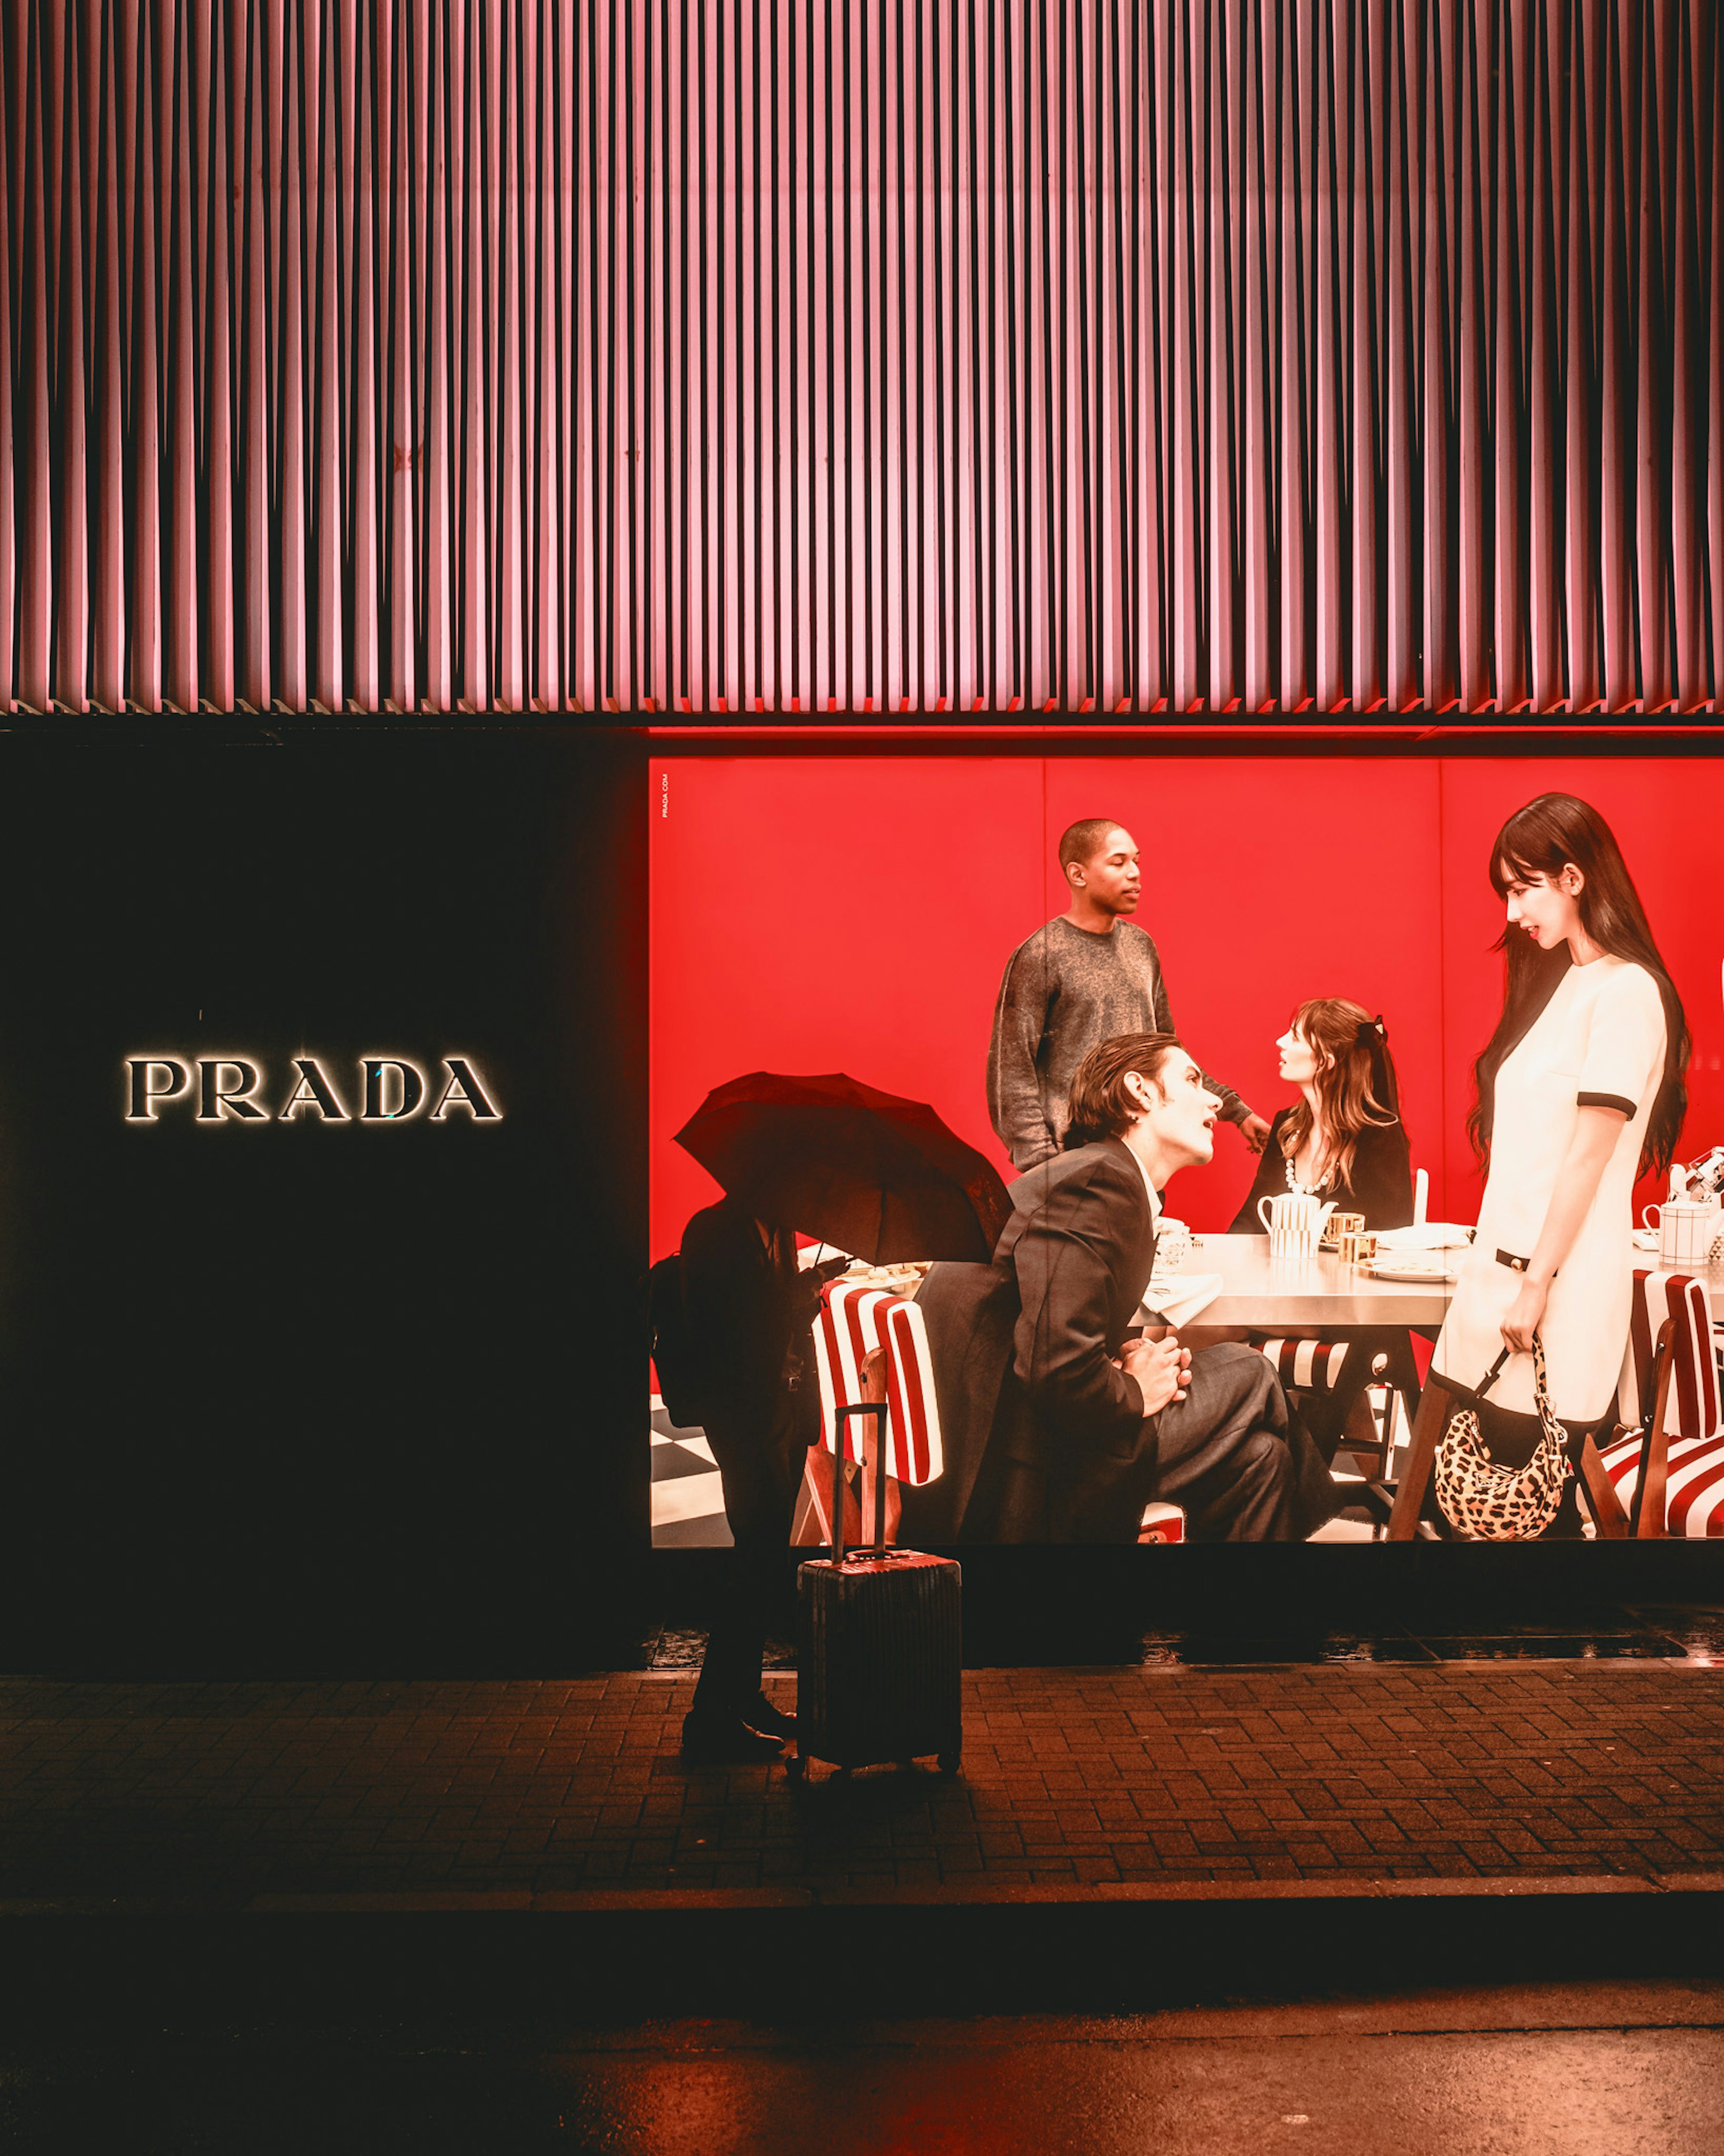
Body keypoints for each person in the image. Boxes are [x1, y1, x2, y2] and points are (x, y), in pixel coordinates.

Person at [916, 1033, 1337, 1544]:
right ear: (1140, 1092)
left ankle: (1254, 1619)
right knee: (1251, 1370)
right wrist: (1134, 1389)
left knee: (1263, 1460)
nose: (1213, 1101)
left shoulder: (1099, 1175)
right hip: (1022, 1479)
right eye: (1191, 1080)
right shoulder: (1100, 1182)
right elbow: (1055, 1364)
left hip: (1009, 1449)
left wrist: (1119, 1357)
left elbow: (1050, 1324)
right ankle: (1328, 1566)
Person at [1429, 793, 1689, 1527]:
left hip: (1552, 1291)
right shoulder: (1565, 983)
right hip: (1500, 1283)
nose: (1512, 913)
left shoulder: (1628, 992)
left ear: (1573, 878)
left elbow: (1587, 1159)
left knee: (1517, 1518)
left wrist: (1536, 1283)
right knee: (1456, 1504)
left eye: (1523, 889)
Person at [987, 817, 1271, 1172]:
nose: (1135, 873)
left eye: (1137, 861)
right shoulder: (1041, 955)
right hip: (1073, 1163)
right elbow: (1011, 1075)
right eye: (1118, 862)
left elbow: (1168, 1052)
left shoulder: (1141, 947)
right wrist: (1044, 1165)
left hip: (1143, 1159)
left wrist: (1236, 1112)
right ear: (1078, 875)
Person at [675, 1196, 824, 1760]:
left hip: (785, 1411)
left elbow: (781, 1325)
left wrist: (803, 1300)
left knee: (765, 1559)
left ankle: (742, 1697)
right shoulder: (713, 1230)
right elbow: (722, 1333)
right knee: (754, 1559)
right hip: (742, 1415)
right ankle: (709, 1718)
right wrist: (785, 1301)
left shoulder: (779, 1226)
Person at [1230, 1000, 1414, 1233]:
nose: (1280, 1042)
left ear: (1326, 1061)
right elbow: (1252, 1218)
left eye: (1295, 1038)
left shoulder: (1379, 1136)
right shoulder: (1286, 1126)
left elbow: (1390, 1235)